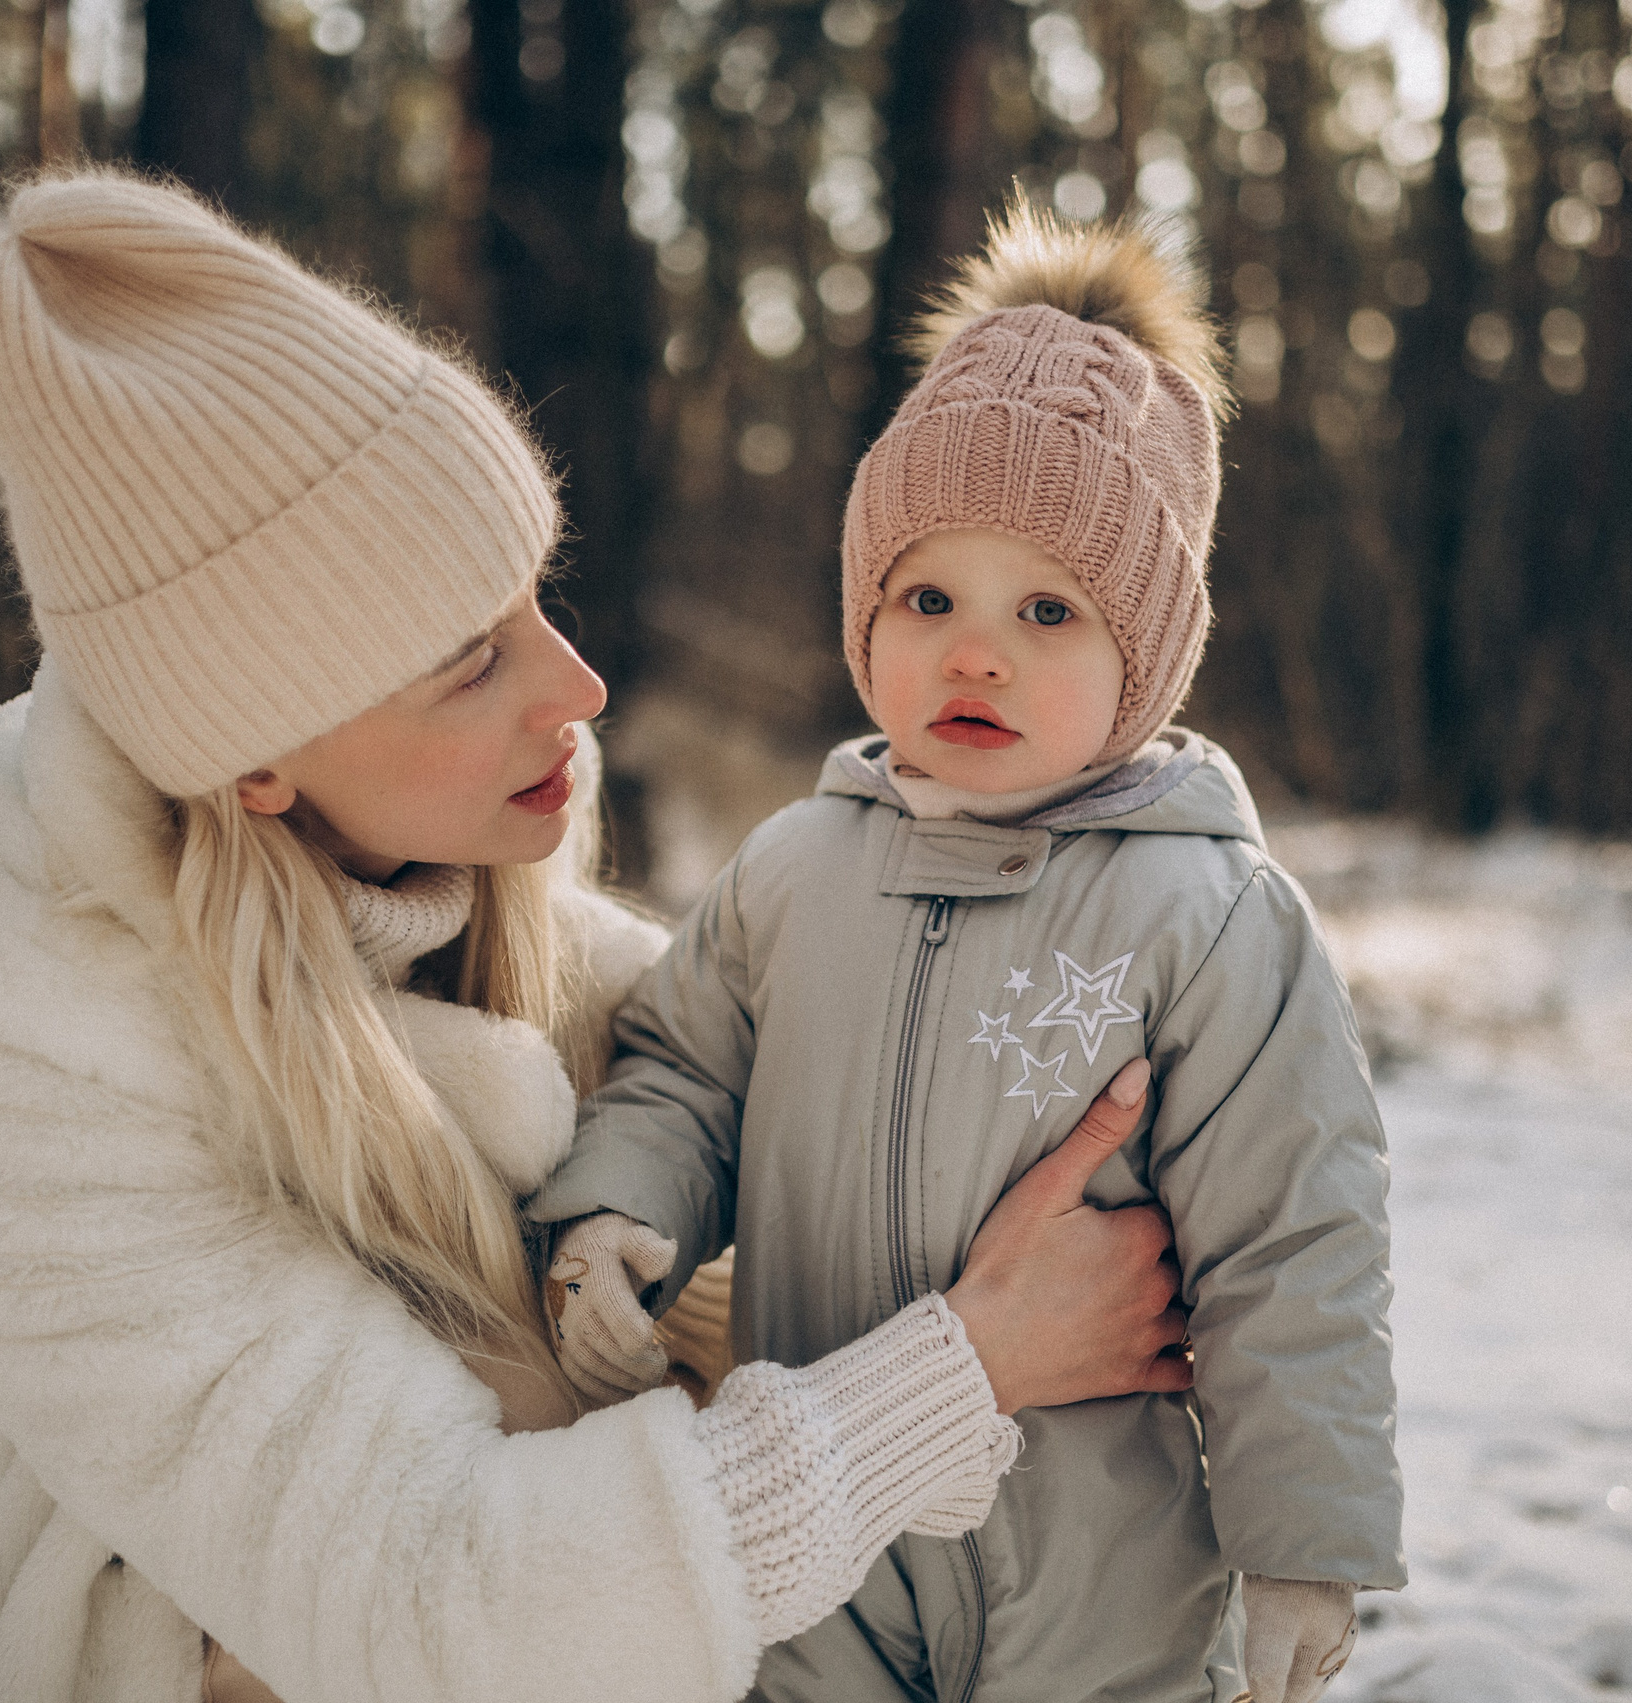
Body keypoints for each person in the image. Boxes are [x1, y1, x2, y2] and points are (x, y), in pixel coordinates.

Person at [0, 172, 1192, 1703]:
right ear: (256, 754)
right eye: (470, 661)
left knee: (648, 1309)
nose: (575, 686)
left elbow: (728, 1059)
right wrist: (964, 1370)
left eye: (533, 596)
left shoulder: (422, 838)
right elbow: (436, 1605)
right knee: (554, 1423)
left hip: (214, 1563)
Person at [528, 198, 1406, 1703]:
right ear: (866, 620)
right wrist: (621, 1203)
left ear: (1147, 662)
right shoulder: (795, 869)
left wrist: (1303, 1539)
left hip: (1101, 1580)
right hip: (829, 1531)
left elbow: (1296, 1245)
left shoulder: (1208, 918)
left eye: (1048, 611)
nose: (975, 651)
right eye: (928, 597)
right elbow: (682, 1070)